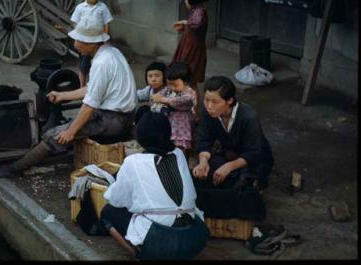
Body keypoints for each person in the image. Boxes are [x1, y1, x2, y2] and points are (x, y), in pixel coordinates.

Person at [0, 12, 136, 178]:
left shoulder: (102, 63)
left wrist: (70, 131)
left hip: (114, 120)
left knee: (54, 135)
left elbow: (89, 106)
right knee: (67, 129)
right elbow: (91, 89)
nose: (75, 43)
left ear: (91, 42)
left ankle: (14, 169)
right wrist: (62, 96)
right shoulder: (110, 52)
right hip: (122, 115)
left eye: (78, 40)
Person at [99, 111, 209, 260]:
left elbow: (115, 199)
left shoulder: (133, 161)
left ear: (141, 136)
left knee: (108, 211)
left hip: (160, 242)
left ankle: (139, 254)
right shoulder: (179, 154)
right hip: (195, 238)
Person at [192, 76, 274, 190]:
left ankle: (257, 183)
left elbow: (253, 152)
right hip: (231, 154)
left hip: (255, 160)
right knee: (203, 172)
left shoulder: (248, 117)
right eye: (206, 100)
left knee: (241, 186)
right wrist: (203, 161)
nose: (209, 106)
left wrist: (229, 167)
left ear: (229, 100)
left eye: (215, 101)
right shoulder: (207, 113)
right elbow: (204, 140)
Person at [172, 0, 209, 118]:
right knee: (188, 81)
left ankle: (194, 113)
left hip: (192, 51)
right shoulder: (196, 11)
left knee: (190, 81)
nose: (185, 1)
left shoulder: (199, 12)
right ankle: (190, 110)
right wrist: (184, 25)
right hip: (189, 48)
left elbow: (196, 24)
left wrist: (185, 23)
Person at [71, 0, 114, 87]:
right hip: (84, 41)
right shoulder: (80, 7)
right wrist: (77, 39)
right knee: (83, 65)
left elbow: (106, 23)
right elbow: (75, 24)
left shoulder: (102, 7)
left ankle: (94, 85)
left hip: (98, 40)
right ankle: (82, 86)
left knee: (97, 63)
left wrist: (105, 39)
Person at [150, 62, 197, 159]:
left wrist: (164, 99)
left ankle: (183, 164)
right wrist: (156, 97)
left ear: (185, 82)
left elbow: (180, 101)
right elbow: (160, 94)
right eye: (169, 84)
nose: (171, 87)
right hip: (169, 122)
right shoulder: (168, 89)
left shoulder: (189, 93)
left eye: (175, 85)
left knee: (181, 148)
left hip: (182, 125)